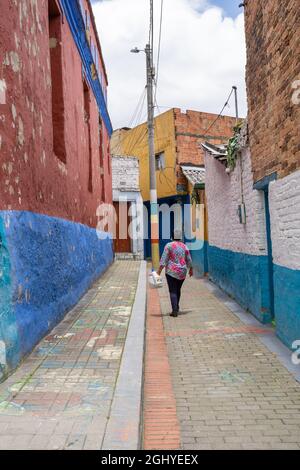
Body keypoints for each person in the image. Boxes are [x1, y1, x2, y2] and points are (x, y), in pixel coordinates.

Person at [157, 229, 193, 317]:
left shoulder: (169, 245)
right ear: (180, 237)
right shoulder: (185, 246)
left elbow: (164, 259)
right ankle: (176, 307)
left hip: (171, 272)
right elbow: (189, 259)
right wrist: (191, 269)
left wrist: (159, 271)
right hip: (182, 272)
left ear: (172, 236)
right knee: (178, 290)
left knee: (172, 290)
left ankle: (174, 311)